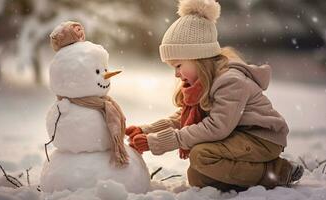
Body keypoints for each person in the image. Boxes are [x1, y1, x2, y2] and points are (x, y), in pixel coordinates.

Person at [126, 0, 304, 192]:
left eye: (178, 65)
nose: (176, 74)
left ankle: (277, 171)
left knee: (201, 155)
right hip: (236, 135)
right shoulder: (202, 83)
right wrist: (147, 130)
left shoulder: (230, 82)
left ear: (199, 58)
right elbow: (183, 118)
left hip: (260, 137)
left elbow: (216, 127)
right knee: (198, 176)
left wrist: (159, 141)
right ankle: (250, 178)